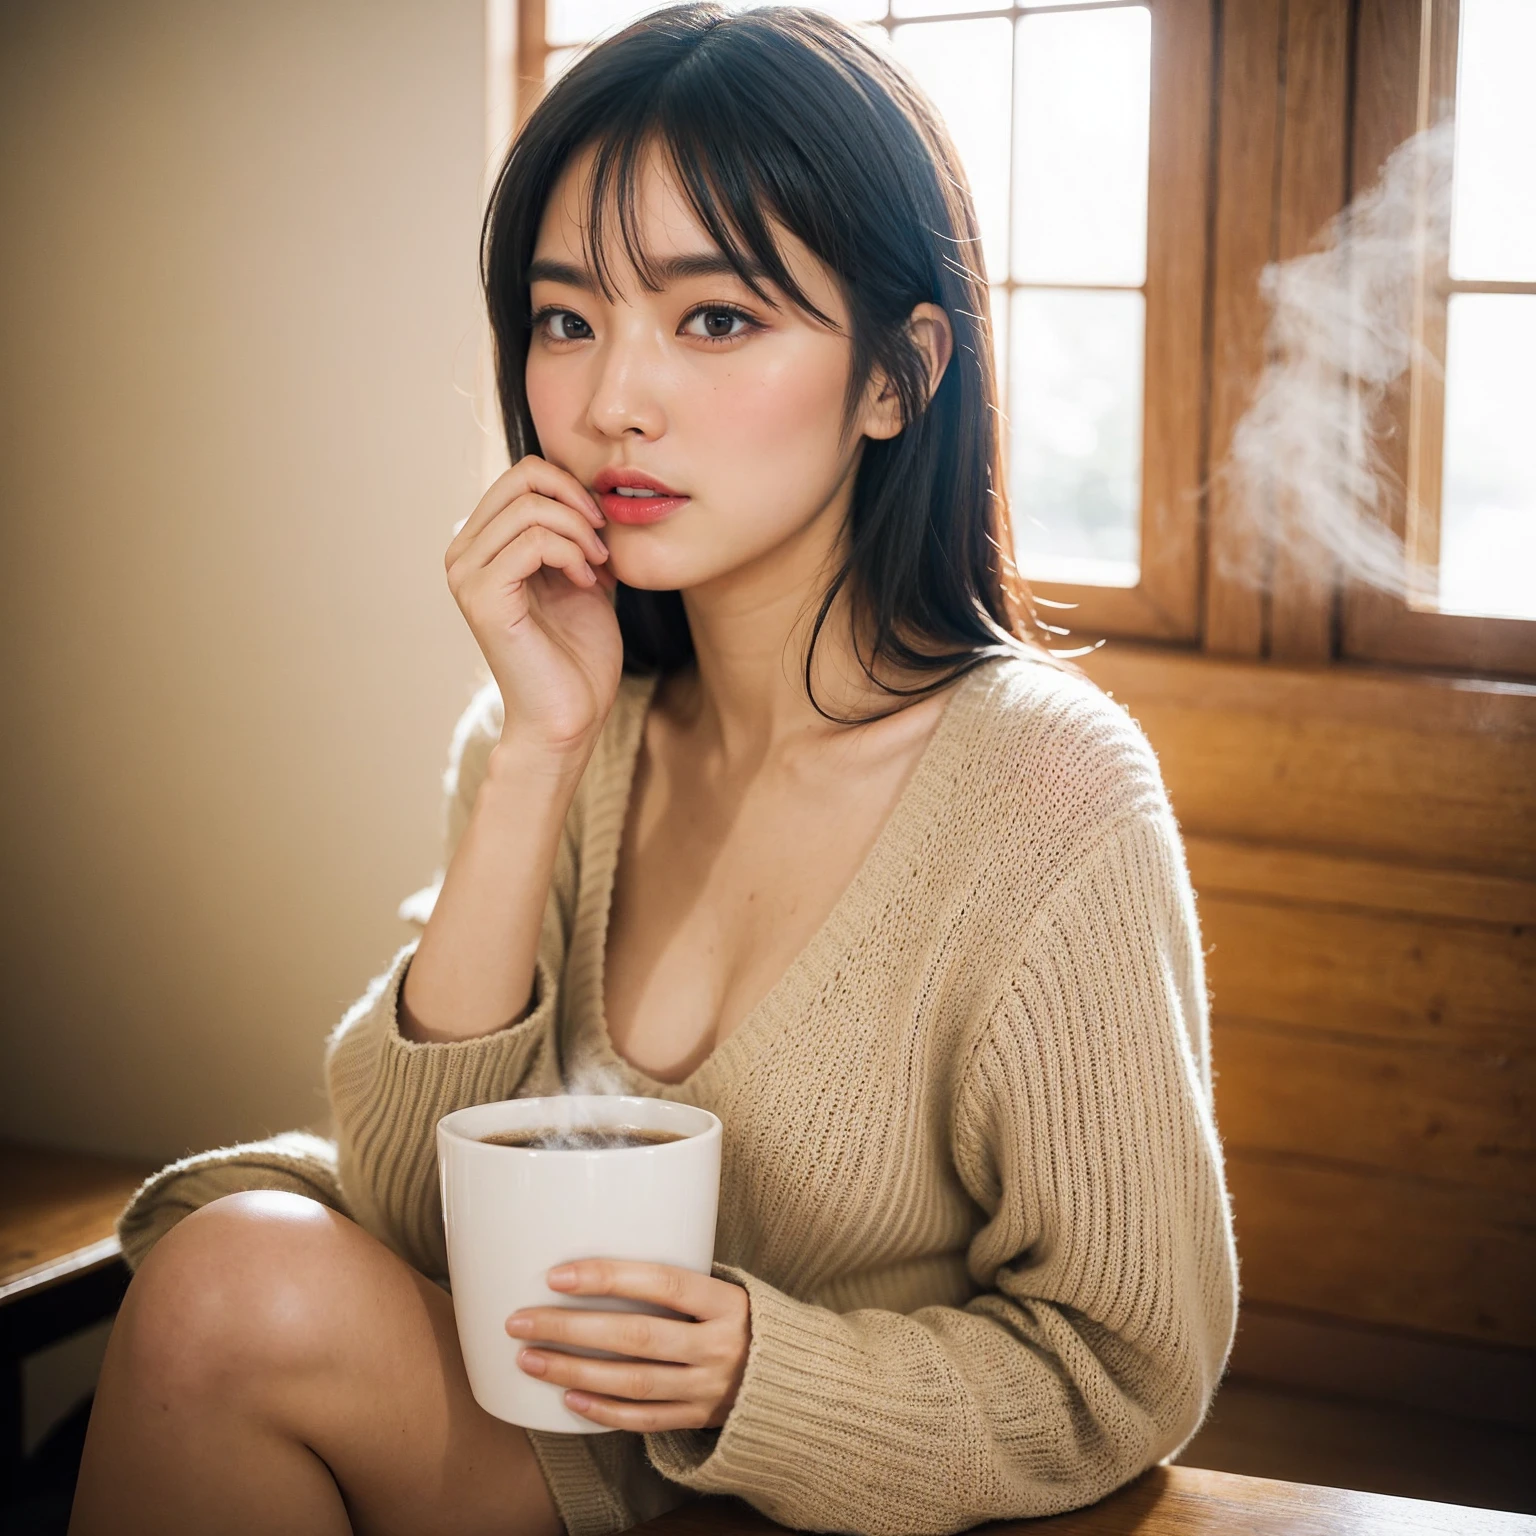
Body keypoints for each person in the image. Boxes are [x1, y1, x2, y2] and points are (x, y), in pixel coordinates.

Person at [69, 5, 1238, 1533]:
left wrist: (768, 1373)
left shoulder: (1050, 793)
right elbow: (415, 1219)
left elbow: (1123, 1370)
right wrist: (540, 755)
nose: (613, 395)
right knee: (227, 1287)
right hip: (566, 1476)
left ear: (897, 376)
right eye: (566, 320)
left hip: (842, 1503)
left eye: (714, 321)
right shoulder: (556, 730)